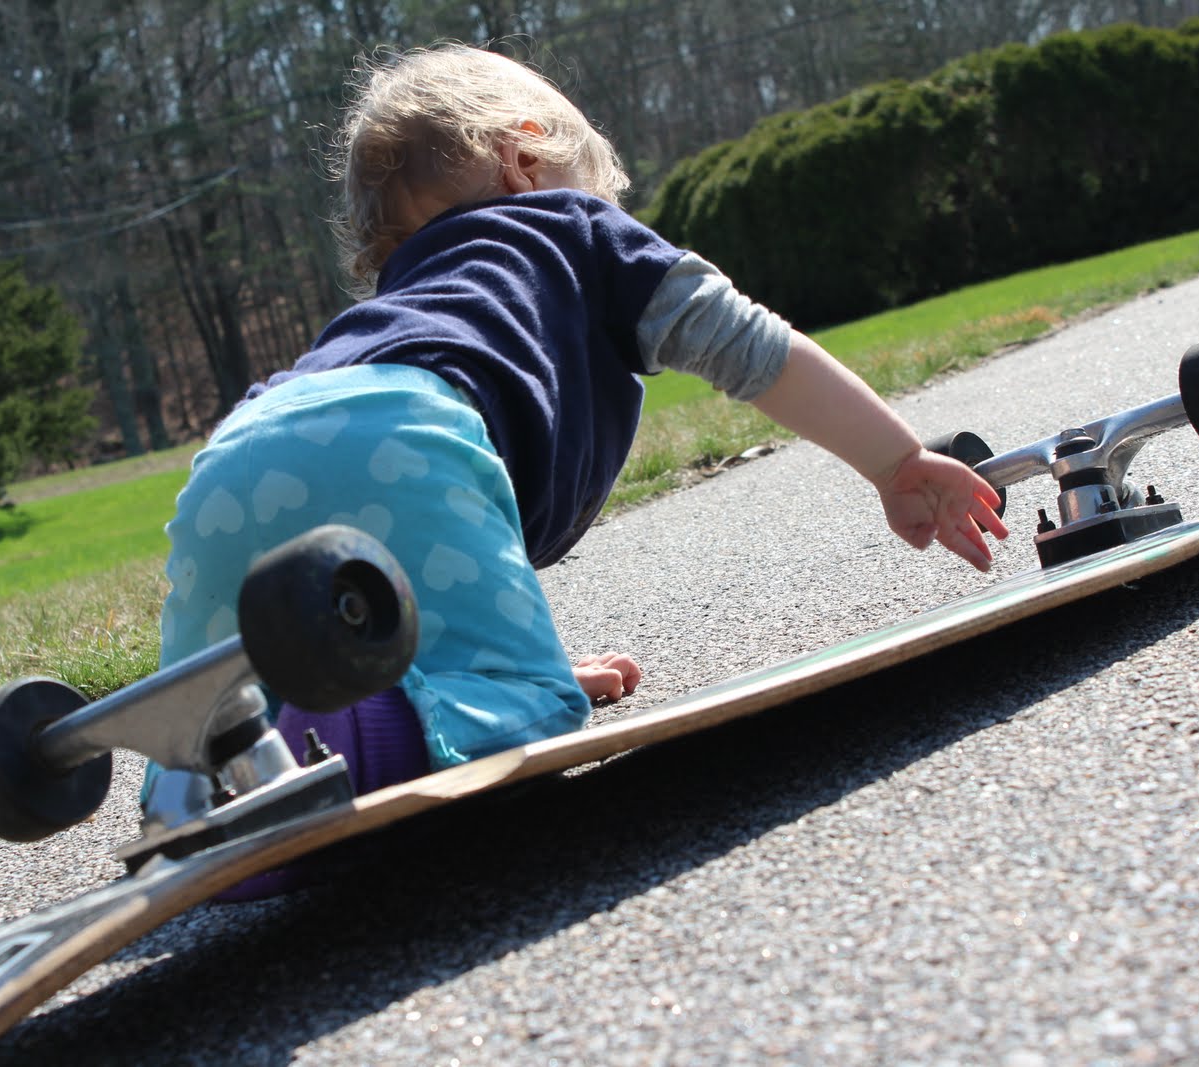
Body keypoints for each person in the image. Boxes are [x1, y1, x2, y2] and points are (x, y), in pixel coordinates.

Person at [146, 43, 1008, 895]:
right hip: (403, 428)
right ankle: (403, 725)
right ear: (523, 159)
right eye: (594, 181)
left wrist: (535, 645)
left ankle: (189, 786)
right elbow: (748, 344)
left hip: (238, 451)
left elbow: (444, 548)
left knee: (213, 713)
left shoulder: (400, 299)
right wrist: (897, 460)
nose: (604, 205)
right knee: (533, 705)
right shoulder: (576, 229)